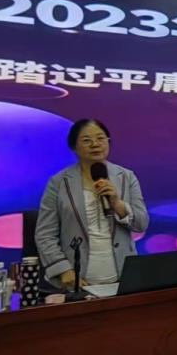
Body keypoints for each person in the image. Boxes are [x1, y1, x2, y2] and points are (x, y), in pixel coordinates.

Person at [35, 118, 149, 289]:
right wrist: (63, 269)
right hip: (78, 279)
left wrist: (117, 203)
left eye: (101, 138)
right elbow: (45, 234)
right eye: (87, 140)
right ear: (74, 146)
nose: (95, 144)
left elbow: (141, 224)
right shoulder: (59, 182)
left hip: (123, 276)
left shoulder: (126, 177)